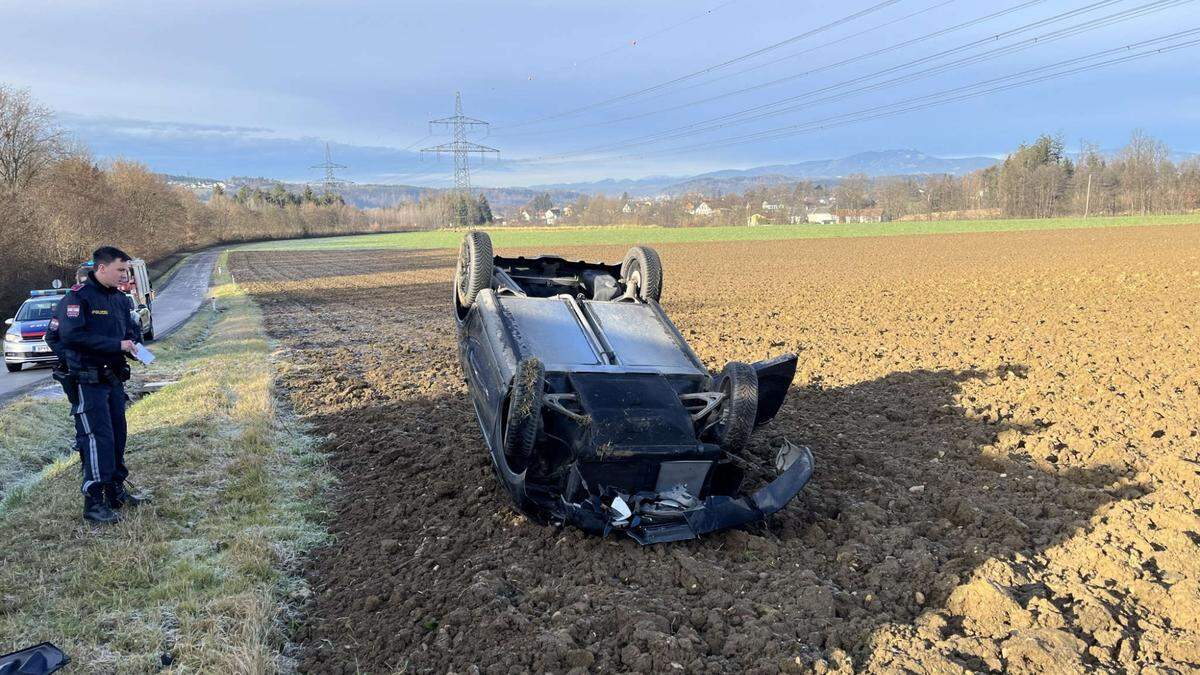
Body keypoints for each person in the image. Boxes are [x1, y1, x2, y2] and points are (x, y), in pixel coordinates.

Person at [50, 246, 148, 524]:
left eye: (127, 271)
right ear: (101, 268)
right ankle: (94, 503)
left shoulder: (120, 300)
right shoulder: (78, 299)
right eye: (120, 270)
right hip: (87, 381)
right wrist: (75, 362)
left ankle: (116, 492)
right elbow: (68, 336)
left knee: (118, 435)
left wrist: (141, 353)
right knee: (96, 439)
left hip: (114, 379)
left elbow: (130, 336)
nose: (124, 276)